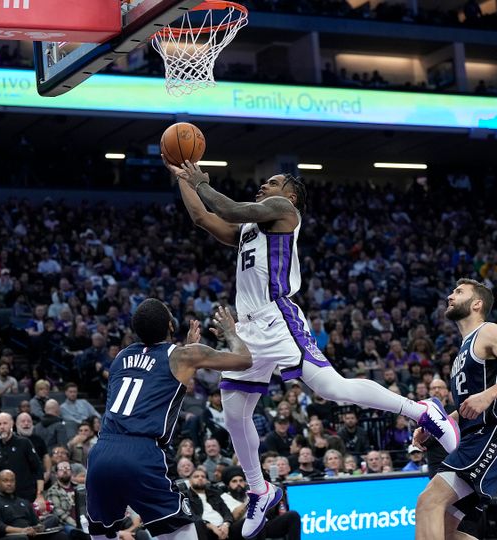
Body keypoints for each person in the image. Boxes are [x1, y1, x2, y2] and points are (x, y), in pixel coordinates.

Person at [169, 159, 460, 538]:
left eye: (271, 182)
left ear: (289, 195)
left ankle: (422, 411)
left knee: (331, 389)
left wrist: (202, 182)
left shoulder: (285, 211)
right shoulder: (247, 231)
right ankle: (260, 489)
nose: (263, 186)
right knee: (234, 410)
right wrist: (182, 179)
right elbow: (203, 218)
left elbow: (229, 207)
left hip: (279, 317)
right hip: (249, 326)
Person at [86, 299, 252, 540]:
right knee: (180, 530)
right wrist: (230, 332)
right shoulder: (184, 357)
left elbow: (150, 376)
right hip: (141, 452)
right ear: (171, 326)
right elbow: (244, 360)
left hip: (101, 451)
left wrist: (187, 353)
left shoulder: (121, 356)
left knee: (101, 533)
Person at [413, 279, 497, 540]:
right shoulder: (461, 351)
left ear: (477, 303)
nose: (450, 296)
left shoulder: (489, 332)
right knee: (447, 532)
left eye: (458, 292)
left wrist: (488, 395)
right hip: (477, 437)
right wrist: (435, 427)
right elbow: (467, 408)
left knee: (428, 503)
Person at [0, 470, 67, 540]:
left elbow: (35, 522)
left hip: (31, 534)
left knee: (60, 532)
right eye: (5, 481)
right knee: (22, 538)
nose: (9, 483)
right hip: (9, 536)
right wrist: (22, 530)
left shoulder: (24, 502)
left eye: (12, 480)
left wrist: (39, 527)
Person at [0, 412, 45, 506]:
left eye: (5, 423)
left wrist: (39, 495)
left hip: (27, 495)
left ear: (12, 424)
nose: (2, 427)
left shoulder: (24, 443)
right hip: (7, 498)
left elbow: (38, 468)